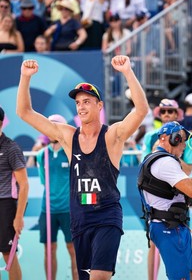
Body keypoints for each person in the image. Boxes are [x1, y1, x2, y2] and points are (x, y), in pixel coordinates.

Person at [16, 55, 148, 280]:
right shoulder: (67, 136)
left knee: (99, 277)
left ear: (99, 105)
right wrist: (25, 77)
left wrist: (127, 72)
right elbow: (24, 113)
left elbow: (141, 110)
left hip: (107, 215)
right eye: (78, 102)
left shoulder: (113, 135)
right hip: (79, 217)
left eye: (87, 101)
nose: (81, 106)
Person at [138, 121, 192, 279]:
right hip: (169, 228)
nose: (185, 145)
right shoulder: (166, 162)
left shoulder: (161, 160)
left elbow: (173, 189)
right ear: (169, 138)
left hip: (173, 226)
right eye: (182, 139)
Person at [141, 99, 192, 280]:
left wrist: (170, 153)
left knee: (182, 251)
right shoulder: (150, 136)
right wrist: (165, 155)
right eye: (163, 111)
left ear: (177, 114)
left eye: (170, 111)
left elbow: (188, 169)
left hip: (179, 194)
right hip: (157, 194)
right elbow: (147, 165)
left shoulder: (188, 139)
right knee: (153, 243)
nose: (166, 115)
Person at [37, 114, 78, 280]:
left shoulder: (70, 153)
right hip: (47, 210)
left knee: (74, 251)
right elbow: (43, 180)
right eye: (49, 125)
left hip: (68, 209)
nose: (51, 129)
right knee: (49, 250)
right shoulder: (42, 154)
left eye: (55, 125)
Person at [0, 106, 29, 280]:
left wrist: (19, 217)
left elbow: (24, 185)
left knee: (7, 255)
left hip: (6, 204)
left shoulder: (11, 148)